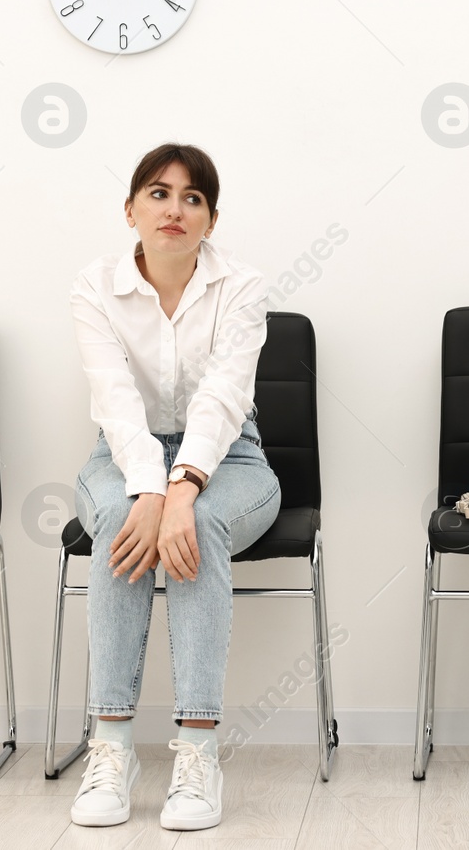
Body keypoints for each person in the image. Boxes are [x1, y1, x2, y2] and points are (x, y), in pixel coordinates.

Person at [66, 143, 281, 831]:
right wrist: (149, 492)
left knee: (201, 526)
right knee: (120, 524)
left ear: (210, 220)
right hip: (121, 453)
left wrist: (181, 490)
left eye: (193, 198)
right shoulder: (93, 286)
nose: (174, 209)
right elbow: (115, 399)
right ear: (130, 209)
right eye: (159, 193)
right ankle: (111, 748)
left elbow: (223, 397)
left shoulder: (242, 287)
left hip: (231, 458)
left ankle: (197, 751)